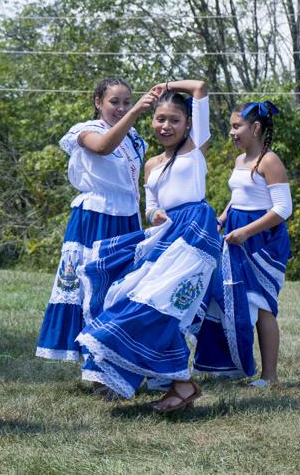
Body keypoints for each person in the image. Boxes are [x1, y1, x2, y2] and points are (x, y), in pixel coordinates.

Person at [76, 79, 217, 412]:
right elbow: (150, 205)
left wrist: (164, 86)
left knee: (161, 305)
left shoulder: (196, 148)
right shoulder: (151, 163)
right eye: (160, 119)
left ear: (188, 124)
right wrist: (154, 214)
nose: (165, 126)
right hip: (167, 235)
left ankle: (181, 384)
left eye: (174, 120)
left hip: (196, 233)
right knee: (130, 297)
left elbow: (199, 87)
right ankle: (180, 384)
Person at [35, 79, 156, 383]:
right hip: (95, 216)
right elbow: (102, 147)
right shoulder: (85, 130)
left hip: (127, 217)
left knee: (121, 290)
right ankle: (93, 365)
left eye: (128, 102)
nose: (122, 108)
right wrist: (135, 113)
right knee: (90, 287)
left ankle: (113, 362)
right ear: (98, 102)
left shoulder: (135, 138)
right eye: (115, 101)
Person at [194, 101, 291, 387]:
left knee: (262, 305)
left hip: (262, 239)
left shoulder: (269, 161)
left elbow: (283, 209)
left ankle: (270, 376)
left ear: (256, 127)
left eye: (237, 126)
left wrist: (246, 232)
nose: (231, 132)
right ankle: (229, 366)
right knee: (227, 298)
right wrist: (222, 218)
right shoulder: (240, 162)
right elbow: (238, 196)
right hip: (236, 235)